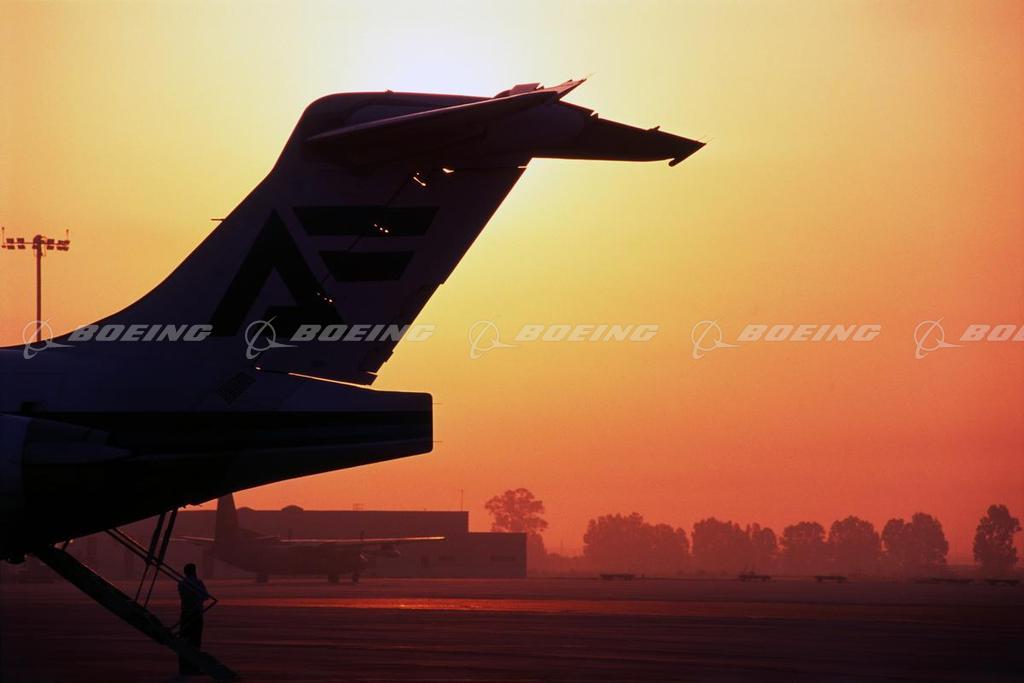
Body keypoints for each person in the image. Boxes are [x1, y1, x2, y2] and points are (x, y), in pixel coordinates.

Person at [177, 562, 210, 675]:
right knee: (196, 641)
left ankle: (183, 667)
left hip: (185, 613)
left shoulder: (181, 583)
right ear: (194, 571)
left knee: (184, 640)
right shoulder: (198, 583)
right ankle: (194, 667)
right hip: (196, 614)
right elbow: (205, 596)